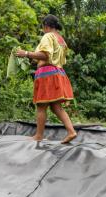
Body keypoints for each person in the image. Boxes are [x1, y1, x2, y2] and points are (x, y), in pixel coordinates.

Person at [15, 14, 77, 144]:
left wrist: (26, 53)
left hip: (47, 75)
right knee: (56, 107)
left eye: (43, 27)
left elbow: (45, 55)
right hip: (58, 73)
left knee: (41, 106)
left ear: (46, 26)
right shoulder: (61, 40)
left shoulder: (48, 36)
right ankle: (71, 131)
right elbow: (56, 58)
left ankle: (38, 136)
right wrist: (34, 59)